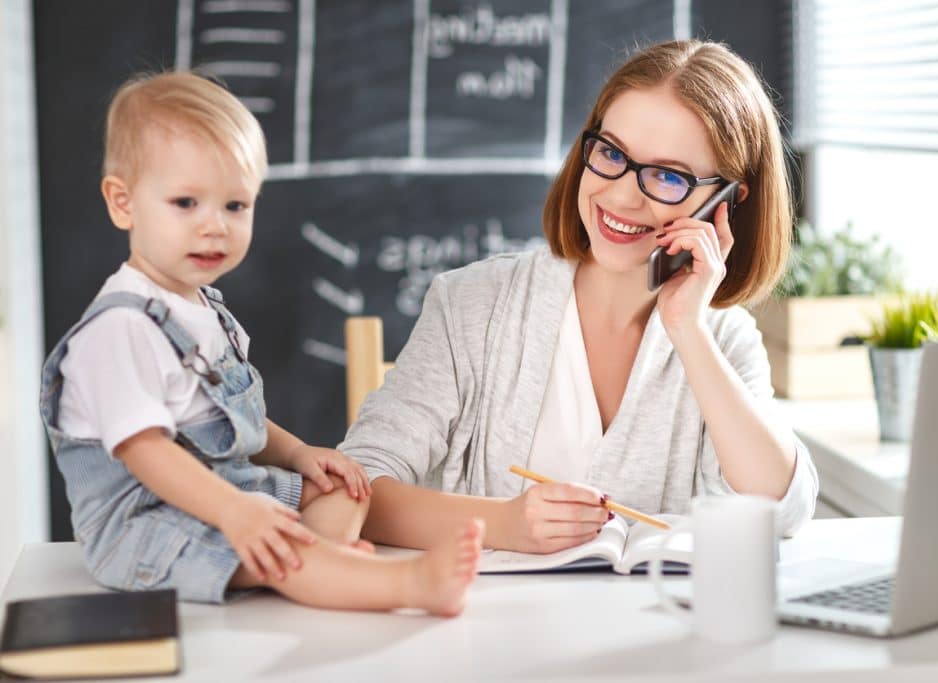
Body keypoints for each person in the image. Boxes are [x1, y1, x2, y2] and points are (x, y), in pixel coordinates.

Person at [340, 39, 818, 554]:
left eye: (667, 176)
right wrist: (502, 525)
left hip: (643, 633)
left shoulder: (721, 339)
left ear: (727, 202)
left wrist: (687, 329)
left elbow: (781, 510)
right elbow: (355, 486)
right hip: (482, 630)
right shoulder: (471, 305)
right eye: (611, 153)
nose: (621, 195)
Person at [38, 71, 482, 614]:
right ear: (123, 202)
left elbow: (231, 418)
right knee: (283, 551)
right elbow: (147, 452)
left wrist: (299, 454)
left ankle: (327, 559)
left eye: (235, 206)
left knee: (346, 487)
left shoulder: (206, 310)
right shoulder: (117, 331)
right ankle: (401, 584)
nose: (214, 227)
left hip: (228, 489)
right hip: (148, 527)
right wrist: (235, 513)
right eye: (185, 202)